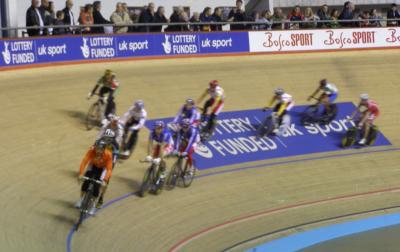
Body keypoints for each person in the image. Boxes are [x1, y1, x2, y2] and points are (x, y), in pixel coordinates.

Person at [76, 140, 112, 215]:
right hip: (93, 165)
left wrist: (105, 180)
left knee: (97, 186)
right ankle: (81, 199)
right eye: (97, 148)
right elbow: (84, 161)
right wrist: (81, 173)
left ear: (104, 149)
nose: (98, 151)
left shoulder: (108, 155)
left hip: (103, 169)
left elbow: (108, 169)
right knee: (86, 182)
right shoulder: (91, 150)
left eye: (100, 149)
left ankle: (93, 205)